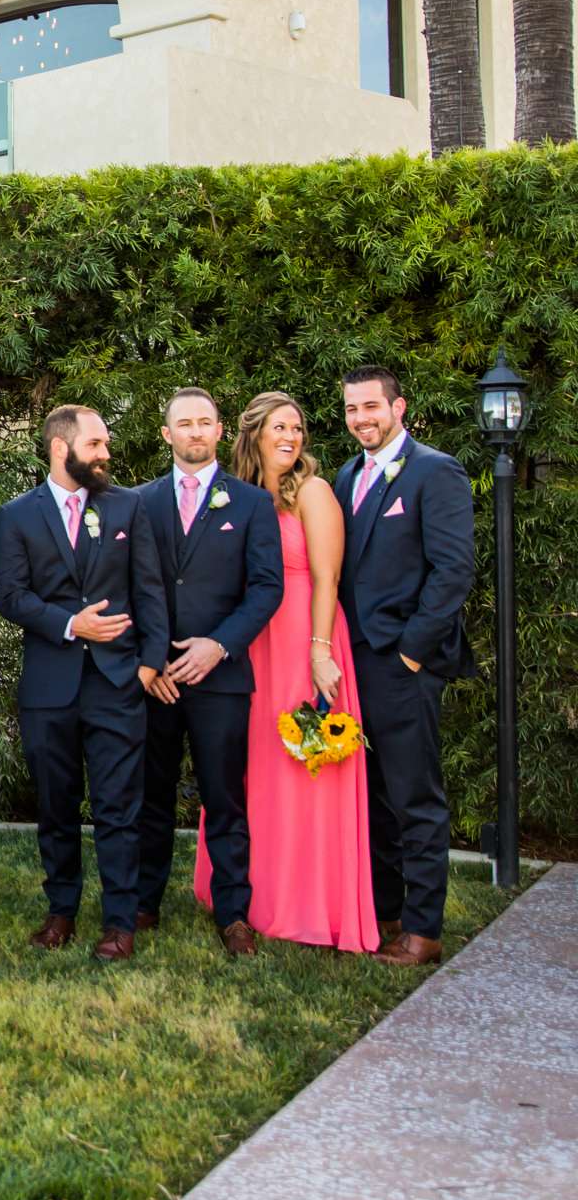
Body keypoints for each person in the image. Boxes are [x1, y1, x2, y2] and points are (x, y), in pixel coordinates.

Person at [194, 391, 377, 951]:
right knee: (252, 769)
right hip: (252, 643)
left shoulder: (314, 493)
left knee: (304, 767)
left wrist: (320, 652)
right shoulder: (237, 497)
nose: (290, 437)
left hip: (303, 638)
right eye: (279, 427)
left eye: (296, 429)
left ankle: (307, 901)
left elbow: (327, 578)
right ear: (253, 434)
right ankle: (249, 895)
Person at [0, 405, 168, 960]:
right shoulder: (18, 515)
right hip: (50, 685)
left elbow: (150, 590)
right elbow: (12, 597)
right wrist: (71, 624)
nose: (106, 454)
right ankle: (61, 911)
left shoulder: (128, 507)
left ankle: (120, 921)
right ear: (60, 449)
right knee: (56, 804)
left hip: (118, 681)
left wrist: (148, 663)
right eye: (95, 445)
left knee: (120, 806)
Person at [333, 366, 476, 967]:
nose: (362, 418)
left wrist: (413, 651)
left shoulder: (434, 471)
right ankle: (384, 913)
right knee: (373, 799)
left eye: (371, 406)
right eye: (351, 409)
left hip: (404, 663)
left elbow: (453, 571)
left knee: (415, 798)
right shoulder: (344, 476)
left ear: (399, 407)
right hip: (353, 663)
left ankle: (423, 931)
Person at [133, 388, 283, 955]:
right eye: (183, 424)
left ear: (220, 431)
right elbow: (132, 585)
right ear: (166, 434)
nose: (195, 432)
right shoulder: (139, 503)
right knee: (153, 793)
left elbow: (267, 587)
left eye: (205, 422)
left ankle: (233, 912)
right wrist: (152, 662)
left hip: (221, 677)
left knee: (224, 797)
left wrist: (218, 646)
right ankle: (145, 902)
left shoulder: (250, 504)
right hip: (158, 679)